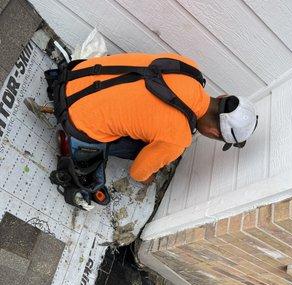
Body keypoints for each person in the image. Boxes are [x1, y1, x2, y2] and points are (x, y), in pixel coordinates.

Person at [63, 52, 258, 185]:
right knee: (145, 150)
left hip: (76, 74)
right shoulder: (178, 139)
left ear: (223, 96)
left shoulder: (189, 68)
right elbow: (137, 174)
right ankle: (83, 146)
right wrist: (151, 175)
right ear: (214, 133)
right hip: (74, 117)